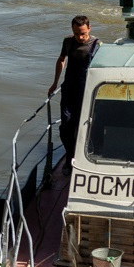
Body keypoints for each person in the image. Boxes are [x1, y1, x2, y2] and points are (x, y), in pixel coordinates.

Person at [47, 15, 100, 173]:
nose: (80, 37)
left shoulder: (97, 45)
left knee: (82, 124)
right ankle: (70, 156)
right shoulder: (68, 42)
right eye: (77, 33)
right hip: (69, 88)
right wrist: (55, 83)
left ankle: (84, 157)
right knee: (65, 126)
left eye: (83, 33)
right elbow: (62, 59)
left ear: (89, 29)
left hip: (86, 90)